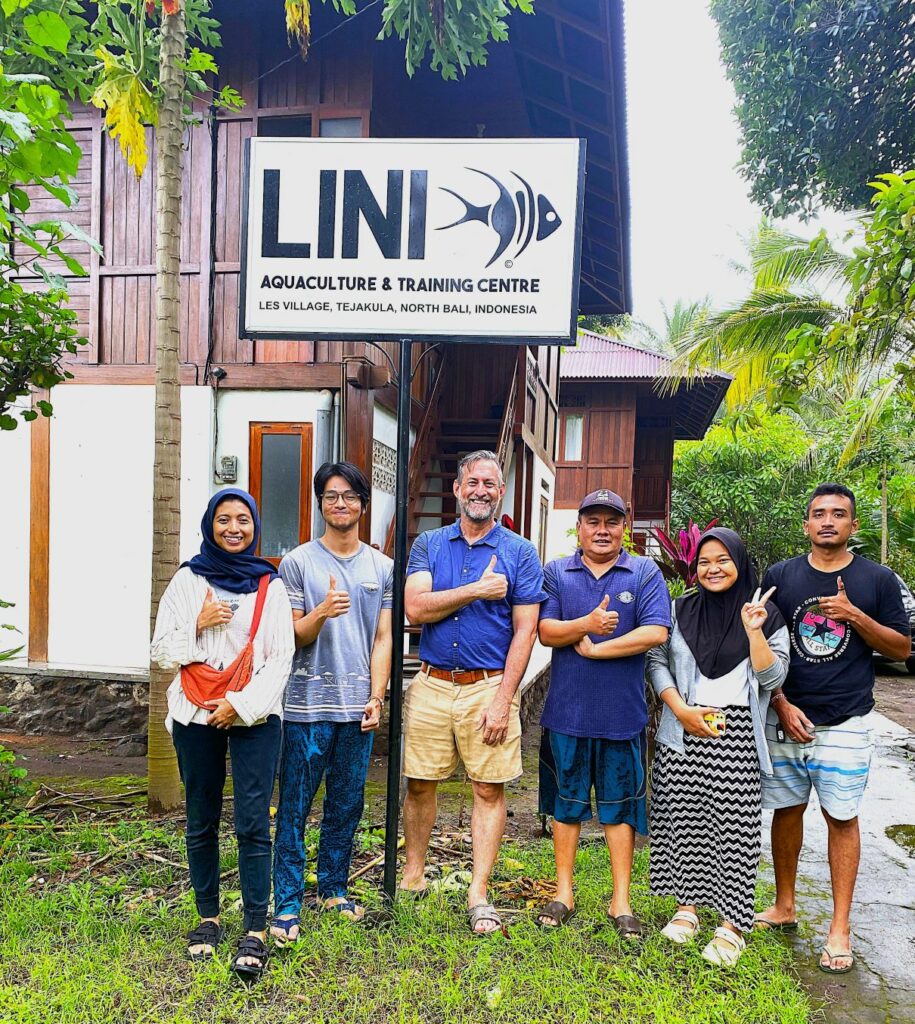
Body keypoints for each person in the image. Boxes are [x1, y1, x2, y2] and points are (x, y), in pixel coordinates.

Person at [755, 483, 910, 975]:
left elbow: (902, 650)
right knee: (786, 810)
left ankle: (839, 927)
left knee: (842, 817)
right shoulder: (781, 576)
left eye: (838, 514)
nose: (828, 521)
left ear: (853, 526)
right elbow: (760, 642)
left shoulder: (878, 579)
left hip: (846, 720)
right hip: (788, 714)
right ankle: (784, 906)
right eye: (818, 513)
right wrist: (778, 702)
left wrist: (854, 615)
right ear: (806, 524)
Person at [151, 488, 294, 979]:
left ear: (255, 527)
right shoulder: (188, 581)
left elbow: (281, 658)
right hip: (194, 712)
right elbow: (161, 651)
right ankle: (208, 917)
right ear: (210, 524)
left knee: (254, 821)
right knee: (200, 817)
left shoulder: (269, 586)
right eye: (224, 519)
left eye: (243, 520)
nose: (234, 528)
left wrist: (240, 705)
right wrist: (197, 623)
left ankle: (255, 926)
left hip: (253, 713)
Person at [401, 449, 545, 935]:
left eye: (491, 483)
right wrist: (474, 591)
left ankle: (478, 891)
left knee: (488, 788)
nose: (481, 490)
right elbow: (415, 609)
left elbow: (525, 632)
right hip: (431, 683)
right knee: (420, 782)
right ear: (458, 489)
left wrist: (505, 698)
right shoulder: (429, 545)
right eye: (473, 482)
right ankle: (413, 876)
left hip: (488, 686)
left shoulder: (521, 553)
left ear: (499, 492)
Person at [646, 528, 789, 966]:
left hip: (736, 731)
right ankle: (686, 909)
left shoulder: (766, 614)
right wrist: (681, 710)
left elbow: (774, 679)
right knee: (681, 819)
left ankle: (732, 924)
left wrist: (754, 632)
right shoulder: (679, 609)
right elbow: (657, 661)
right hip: (683, 728)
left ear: (740, 563)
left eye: (723, 559)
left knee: (734, 830)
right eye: (705, 561)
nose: (713, 568)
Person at [535, 489, 670, 937]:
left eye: (612, 522)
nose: (602, 530)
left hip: (622, 716)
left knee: (620, 811)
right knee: (566, 807)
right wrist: (586, 626)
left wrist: (598, 649)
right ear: (579, 527)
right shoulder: (557, 572)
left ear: (624, 527)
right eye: (593, 521)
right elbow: (546, 631)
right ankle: (563, 893)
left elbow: (655, 631)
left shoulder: (644, 571)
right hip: (567, 715)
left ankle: (621, 900)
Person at [270, 462, 393, 940]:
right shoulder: (297, 562)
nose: (340, 503)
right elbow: (294, 635)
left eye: (350, 496)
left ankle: (334, 888)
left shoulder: (381, 567)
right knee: (295, 806)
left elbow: (383, 639)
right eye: (331, 495)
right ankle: (287, 901)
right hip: (304, 708)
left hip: (356, 710)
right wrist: (322, 611)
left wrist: (377, 696)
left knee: (346, 804)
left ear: (364, 504)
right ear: (320, 502)